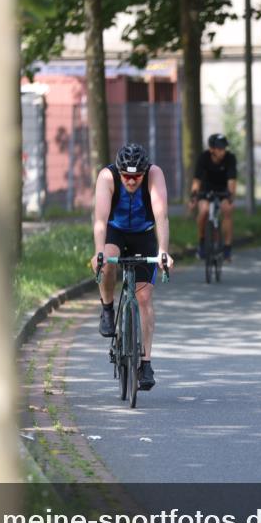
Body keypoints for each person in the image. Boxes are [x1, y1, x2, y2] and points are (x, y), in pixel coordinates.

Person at [92, 143, 174, 391]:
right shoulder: (107, 177)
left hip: (144, 234)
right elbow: (100, 220)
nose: (130, 181)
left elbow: (161, 216)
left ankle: (146, 363)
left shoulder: (154, 174)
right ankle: (107, 308)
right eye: (126, 176)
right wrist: (98, 253)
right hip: (116, 232)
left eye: (136, 176)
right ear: (119, 171)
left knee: (145, 296)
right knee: (107, 263)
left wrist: (163, 251)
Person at [190, 133, 237, 261]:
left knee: (227, 210)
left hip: (223, 190)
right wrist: (194, 196)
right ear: (211, 149)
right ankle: (201, 242)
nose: (222, 151)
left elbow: (232, 180)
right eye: (219, 148)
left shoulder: (230, 158)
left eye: (224, 148)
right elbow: (197, 179)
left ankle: (227, 247)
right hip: (206, 189)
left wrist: (231, 196)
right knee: (204, 211)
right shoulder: (203, 158)